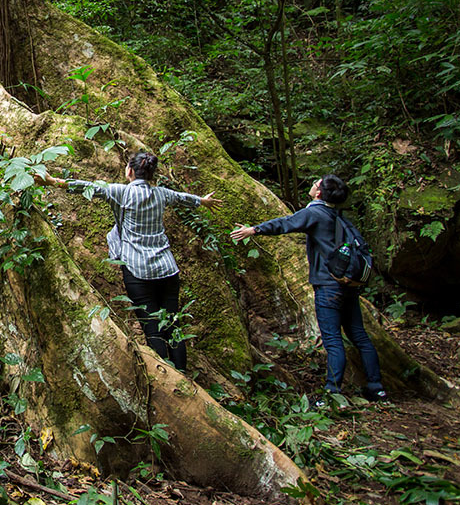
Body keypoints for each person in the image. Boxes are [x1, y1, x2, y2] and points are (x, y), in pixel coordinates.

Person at [38, 151, 222, 372]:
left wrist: (52, 182)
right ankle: (181, 373)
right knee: (173, 326)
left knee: (153, 329)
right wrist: (203, 201)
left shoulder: (121, 192)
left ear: (130, 171)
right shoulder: (161, 194)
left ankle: (169, 377)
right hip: (167, 269)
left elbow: (89, 187)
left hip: (138, 271)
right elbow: (183, 197)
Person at [230, 174, 388, 404]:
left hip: (328, 287)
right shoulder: (338, 217)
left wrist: (253, 230)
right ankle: (377, 388)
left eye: (317, 183)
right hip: (348, 286)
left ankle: (332, 393)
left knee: (333, 340)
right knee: (360, 337)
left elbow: (286, 223)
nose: (314, 184)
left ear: (320, 193)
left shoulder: (315, 212)